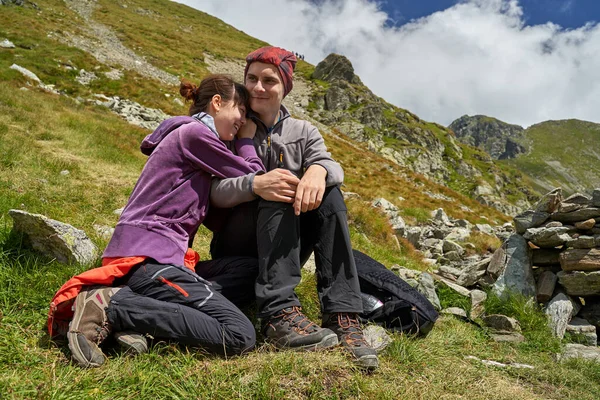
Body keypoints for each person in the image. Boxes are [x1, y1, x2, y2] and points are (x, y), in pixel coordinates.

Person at [48, 74, 265, 368]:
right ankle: (113, 306)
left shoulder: (190, 137)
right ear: (217, 103)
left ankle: (139, 323)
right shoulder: (196, 134)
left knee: (252, 272)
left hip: (159, 259)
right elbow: (254, 176)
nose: (242, 118)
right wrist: (248, 139)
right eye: (240, 109)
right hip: (148, 260)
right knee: (239, 334)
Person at [208, 47, 378, 369]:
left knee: (330, 196)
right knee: (281, 186)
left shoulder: (304, 131)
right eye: (252, 79)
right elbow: (212, 193)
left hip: (286, 243)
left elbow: (331, 165)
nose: (258, 87)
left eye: (269, 80)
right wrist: (255, 185)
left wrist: (319, 170)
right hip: (237, 243)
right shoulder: (232, 124)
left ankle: (342, 316)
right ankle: (278, 315)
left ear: (286, 86)